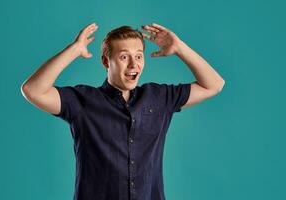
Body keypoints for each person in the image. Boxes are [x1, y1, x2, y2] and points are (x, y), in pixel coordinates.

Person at [21, 22, 225, 200]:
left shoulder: (159, 97)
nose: (133, 64)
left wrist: (180, 48)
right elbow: (32, 90)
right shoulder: (83, 102)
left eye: (138, 56)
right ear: (105, 62)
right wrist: (74, 50)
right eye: (124, 57)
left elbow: (214, 85)